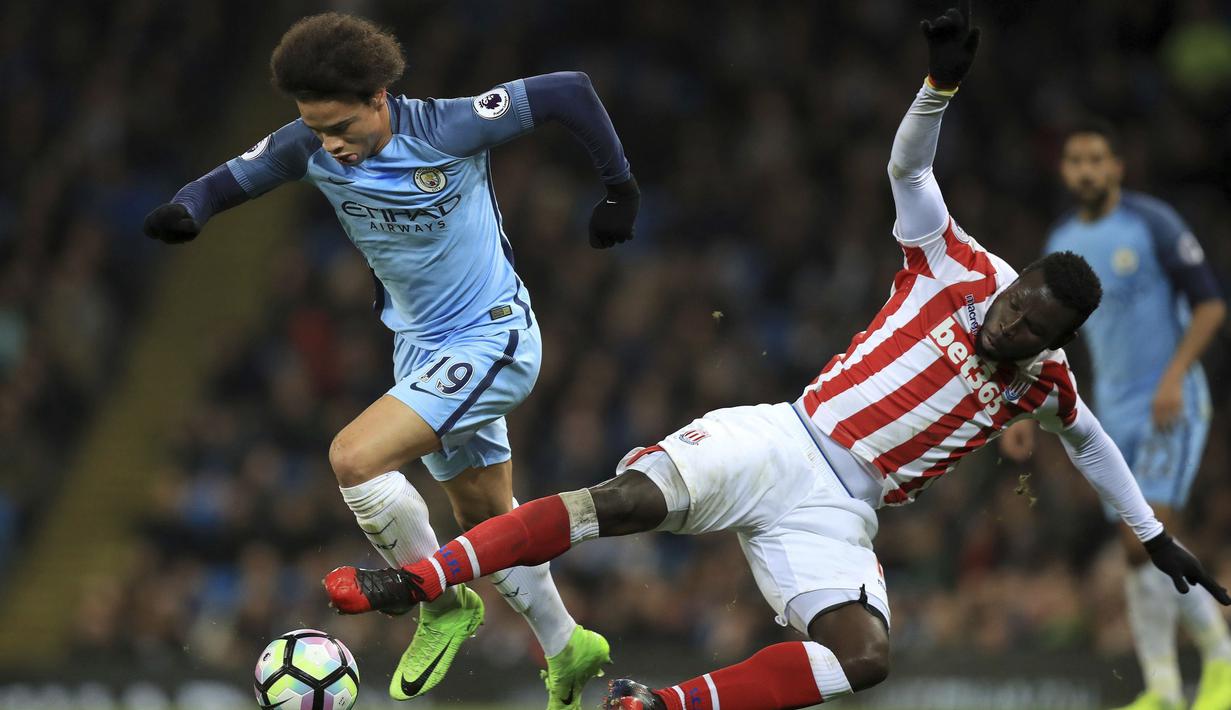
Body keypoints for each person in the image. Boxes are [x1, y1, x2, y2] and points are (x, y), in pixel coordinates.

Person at [325, 4, 1230, 709]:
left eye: (1031, 328)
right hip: (786, 441)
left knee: (865, 659)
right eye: (1015, 304)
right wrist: (936, 92)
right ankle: (415, 579)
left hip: (843, 516)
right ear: (1015, 278)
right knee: (622, 504)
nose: (1009, 325)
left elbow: (1092, 445)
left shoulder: (1045, 381)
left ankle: (658, 703)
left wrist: (1154, 538)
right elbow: (909, 174)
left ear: (1052, 340)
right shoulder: (958, 265)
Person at [141, 13, 639, 709]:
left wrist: (619, 189)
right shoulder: (306, 146)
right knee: (489, 521)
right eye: (317, 129)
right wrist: (186, 211)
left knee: (353, 459)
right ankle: (567, 645)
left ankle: (437, 603)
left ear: (379, 97)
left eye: (341, 127)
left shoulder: (449, 127)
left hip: (491, 338)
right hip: (420, 349)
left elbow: (568, 90)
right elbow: (229, 180)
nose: (330, 145)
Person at [999, 118, 1229, 710]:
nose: (1087, 171)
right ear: (1065, 171)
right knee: (1139, 549)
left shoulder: (1153, 224)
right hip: (1114, 411)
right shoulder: (1063, 241)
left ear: (1117, 167)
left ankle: (1222, 665)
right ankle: (1164, 690)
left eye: (1098, 160)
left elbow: (1209, 306)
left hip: (1170, 402)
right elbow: (1045, 335)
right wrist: (1022, 412)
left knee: (1142, 538)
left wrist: (1176, 375)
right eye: (1076, 161)